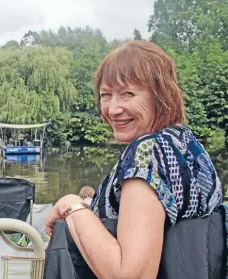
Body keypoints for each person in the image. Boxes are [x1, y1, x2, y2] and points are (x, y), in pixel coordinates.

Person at [45, 41, 223, 279]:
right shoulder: (186, 144)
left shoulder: (146, 154)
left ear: (161, 96)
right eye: (106, 95)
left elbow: (130, 275)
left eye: (128, 93)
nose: (113, 109)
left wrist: (72, 206)